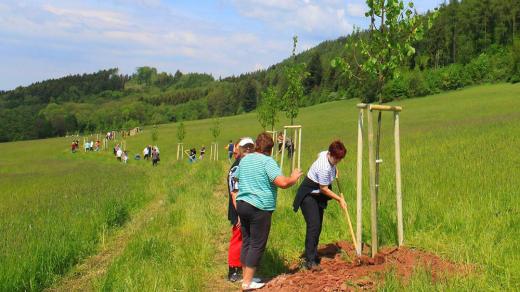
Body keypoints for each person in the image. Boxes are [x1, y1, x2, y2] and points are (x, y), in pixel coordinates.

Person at [236, 132, 302, 290]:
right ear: (270, 149)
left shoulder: (245, 160)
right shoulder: (268, 161)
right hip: (259, 207)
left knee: (247, 241)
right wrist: (293, 177)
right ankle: (247, 283)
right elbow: (282, 183)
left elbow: (238, 178)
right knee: (257, 244)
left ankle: (246, 276)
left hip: (242, 204)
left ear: (257, 145)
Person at [293, 140, 348, 270]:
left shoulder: (325, 154)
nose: (337, 161)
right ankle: (310, 261)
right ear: (330, 154)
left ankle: (313, 253)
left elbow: (320, 154)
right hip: (308, 196)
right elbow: (324, 188)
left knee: (318, 226)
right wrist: (340, 199)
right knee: (314, 226)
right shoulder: (323, 167)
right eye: (336, 159)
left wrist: (335, 169)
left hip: (318, 196)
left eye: (340, 159)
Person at [227, 137, 255, 282]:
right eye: (245, 147)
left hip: (247, 208)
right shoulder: (237, 168)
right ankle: (233, 270)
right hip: (238, 209)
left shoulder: (247, 165)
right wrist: (238, 214)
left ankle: (244, 268)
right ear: (239, 149)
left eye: (251, 147)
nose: (249, 150)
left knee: (246, 239)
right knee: (238, 238)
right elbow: (234, 193)